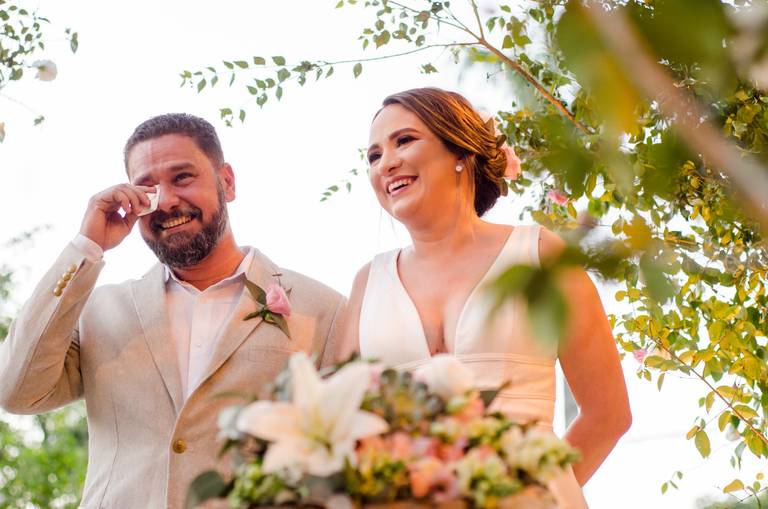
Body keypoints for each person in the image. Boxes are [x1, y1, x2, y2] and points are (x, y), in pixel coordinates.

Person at [0, 114, 346, 509]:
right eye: (147, 186)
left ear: (227, 182)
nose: (165, 201)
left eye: (182, 177)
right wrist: (86, 247)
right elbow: (15, 392)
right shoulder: (99, 311)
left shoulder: (322, 311)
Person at [339, 88, 632, 508]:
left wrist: (532, 493)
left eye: (404, 140)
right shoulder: (368, 283)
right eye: (373, 156)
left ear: (460, 150)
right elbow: (341, 425)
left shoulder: (541, 257)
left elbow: (608, 415)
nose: (386, 162)